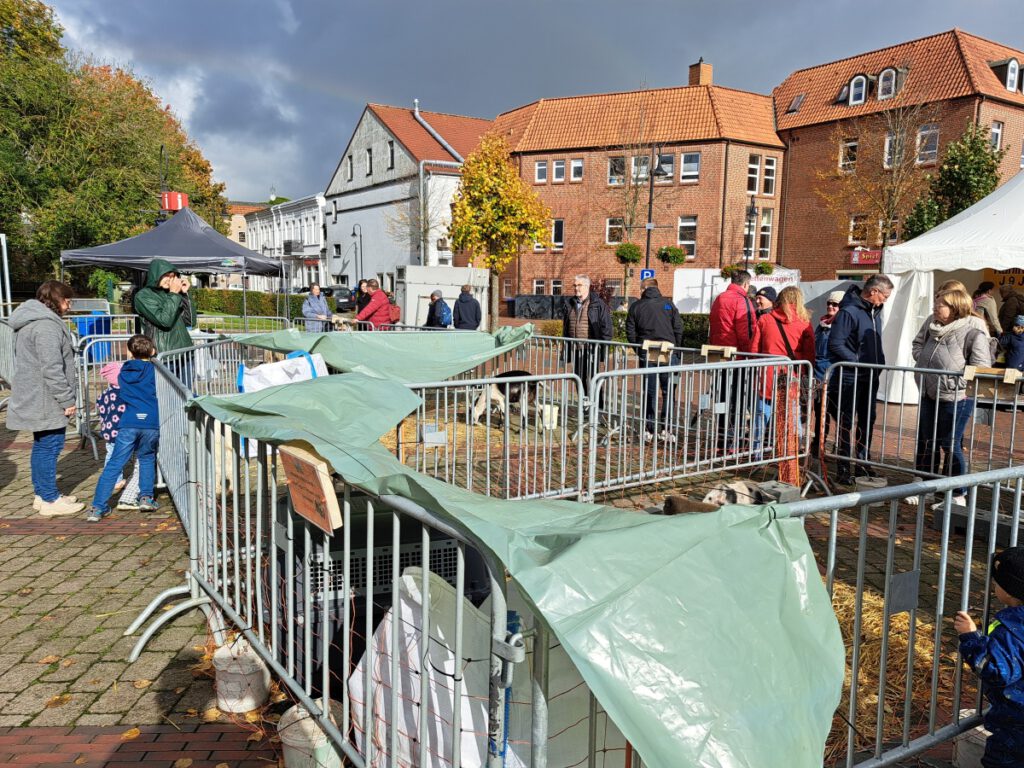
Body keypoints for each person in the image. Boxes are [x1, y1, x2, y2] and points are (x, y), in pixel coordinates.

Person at [6, 281, 84, 517]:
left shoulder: (32, 322)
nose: (69, 305)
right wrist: (67, 399)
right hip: (45, 398)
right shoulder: (45, 327)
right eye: (67, 300)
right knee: (49, 447)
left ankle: (44, 494)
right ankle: (49, 498)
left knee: (43, 446)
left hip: (38, 395)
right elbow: (52, 368)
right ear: (56, 299)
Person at [910, 289, 992, 507]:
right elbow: (918, 347)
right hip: (929, 394)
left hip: (957, 398)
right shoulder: (933, 329)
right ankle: (926, 488)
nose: (936, 308)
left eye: (941, 305)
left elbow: (982, 368)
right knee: (928, 441)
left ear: (956, 308)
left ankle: (958, 495)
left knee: (950, 443)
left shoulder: (973, 334)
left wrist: (956, 382)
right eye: (936, 304)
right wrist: (923, 362)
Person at [954, 546, 1024, 768]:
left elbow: (994, 669)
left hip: (1016, 725)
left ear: (1010, 591)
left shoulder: (1012, 630)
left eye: (996, 583)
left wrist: (971, 638)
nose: (993, 586)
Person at [827, 274, 894, 486]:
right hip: (849, 377)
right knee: (846, 422)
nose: (885, 300)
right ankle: (844, 466)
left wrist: (879, 363)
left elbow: (876, 342)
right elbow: (836, 344)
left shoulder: (875, 313)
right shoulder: (849, 312)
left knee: (867, 420)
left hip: (870, 377)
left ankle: (863, 462)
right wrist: (857, 362)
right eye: (884, 296)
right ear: (873, 291)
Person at [87, 335, 161, 522]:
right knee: (146, 458)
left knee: (115, 463)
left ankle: (97, 507)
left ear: (129, 352)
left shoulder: (123, 374)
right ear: (152, 350)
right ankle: (146, 497)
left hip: (128, 422)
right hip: (150, 421)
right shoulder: (156, 371)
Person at [756, 286, 815, 483]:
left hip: (767, 375)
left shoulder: (765, 319)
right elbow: (810, 354)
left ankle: (756, 459)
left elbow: (753, 349)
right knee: (792, 419)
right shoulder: (804, 322)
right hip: (792, 378)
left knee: (761, 417)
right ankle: (791, 457)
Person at [626, 278, 682, 441]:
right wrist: (676, 349)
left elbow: (630, 330)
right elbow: (678, 328)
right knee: (668, 391)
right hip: (668, 351)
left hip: (647, 351)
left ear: (643, 288)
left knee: (650, 391)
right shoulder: (669, 305)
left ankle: (649, 429)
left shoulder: (636, 306)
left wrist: (639, 349)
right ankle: (667, 429)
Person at [709, 270, 759, 451]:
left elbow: (713, 325)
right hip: (738, 358)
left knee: (723, 399)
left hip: (721, 355)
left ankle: (721, 441)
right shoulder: (741, 300)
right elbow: (747, 332)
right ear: (745, 284)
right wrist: (751, 354)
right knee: (737, 401)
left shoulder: (720, 298)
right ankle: (733, 443)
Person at [95, 362, 143, 511]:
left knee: (111, 455)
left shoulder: (105, 394)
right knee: (126, 456)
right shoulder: (126, 394)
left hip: (109, 431)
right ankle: (130, 481)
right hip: (122, 431)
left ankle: (115, 480)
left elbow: (100, 408)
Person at [561, 275, 612, 399]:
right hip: (576, 349)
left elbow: (607, 328)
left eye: (579, 285)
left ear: (587, 286)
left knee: (594, 378)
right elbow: (566, 327)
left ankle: (597, 407)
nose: (576, 288)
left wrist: (602, 350)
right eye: (575, 285)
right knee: (579, 377)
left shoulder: (598, 304)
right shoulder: (570, 303)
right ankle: (583, 405)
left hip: (592, 349)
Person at [809, 290, 844, 457]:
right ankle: (818, 446)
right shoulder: (822, 324)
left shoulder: (841, 327)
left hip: (834, 378)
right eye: (829, 303)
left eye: (835, 304)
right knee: (820, 414)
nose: (830, 306)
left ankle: (838, 447)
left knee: (836, 414)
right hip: (818, 376)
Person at [133, 259, 194, 352]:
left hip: (186, 352)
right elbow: (164, 321)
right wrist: (174, 293)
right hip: (164, 355)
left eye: (172, 276)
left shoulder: (173, 294)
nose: (169, 279)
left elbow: (190, 321)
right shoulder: (143, 296)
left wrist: (185, 294)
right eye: (166, 275)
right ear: (156, 275)